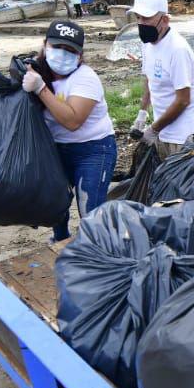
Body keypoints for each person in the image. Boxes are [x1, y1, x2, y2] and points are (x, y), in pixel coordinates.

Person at [20, 20, 117, 242]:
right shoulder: (36, 70)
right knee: (56, 201)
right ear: (45, 45)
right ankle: (60, 240)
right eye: (57, 47)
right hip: (55, 149)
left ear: (80, 56)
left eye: (70, 50)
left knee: (89, 208)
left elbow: (72, 121)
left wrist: (41, 89)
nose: (62, 54)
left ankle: (97, 249)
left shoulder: (85, 78)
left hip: (93, 149)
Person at [127, 0, 194, 158]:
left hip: (182, 138)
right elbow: (149, 79)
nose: (141, 23)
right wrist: (142, 113)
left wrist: (153, 129)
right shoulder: (148, 44)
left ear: (165, 20)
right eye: (138, 17)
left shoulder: (177, 49)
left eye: (146, 18)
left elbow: (183, 100)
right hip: (162, 132)